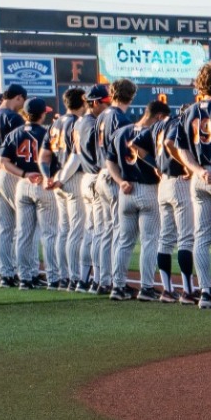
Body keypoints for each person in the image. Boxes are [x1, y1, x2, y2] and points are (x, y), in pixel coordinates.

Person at [172, 63, 211, 308]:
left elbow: (180, 147)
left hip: (198, 176)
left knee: (202, 237)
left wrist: (195, 169)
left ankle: (205, 292)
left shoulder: (189, 112)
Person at [109, 98, 167, 301]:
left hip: (125, 190)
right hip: (149, 190)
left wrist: (119, 181)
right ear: (159, 116)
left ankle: (117, 287)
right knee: (150, 241)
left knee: (124, 241)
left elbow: (109, 161)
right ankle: (147, 288)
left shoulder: (120, 132)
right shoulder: (153, 133)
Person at [0, 97, 55, 288]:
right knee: (48, 233)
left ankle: (25, 278)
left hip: (23, 183)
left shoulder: (14, 134)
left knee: (23, 234)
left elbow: (3, 162)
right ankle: (53, 277)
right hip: (42, 183)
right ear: (42, 113)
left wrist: (23, 173)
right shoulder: (48, 133)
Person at [0, 85, 29, 288]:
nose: (22, 106)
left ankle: (5, 274)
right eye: (22, 101)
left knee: (3, 227)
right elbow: (19, 149)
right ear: (18, 98)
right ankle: (26, 273)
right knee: (25, 225)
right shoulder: (12, 117)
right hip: (8, 172)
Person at [94, 79, 137, 291]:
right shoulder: (120, 118)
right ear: (132, 96)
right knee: (118, 231)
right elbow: (120, 152)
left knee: (105, 231)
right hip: (113, 176)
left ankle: (103, 281)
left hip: (101, 174)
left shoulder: (101, 115)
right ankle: (115, 282)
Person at [150, 97, 194, 302]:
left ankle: (167, 290)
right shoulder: (179, 122)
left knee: (165, 239)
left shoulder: (160, 124)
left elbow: (136, 146)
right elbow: (169, 142)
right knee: (185, 238)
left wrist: (156, 165)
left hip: (163, 184)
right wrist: (186, 165)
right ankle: (188, 291)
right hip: (179, 183)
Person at [72, 84, 112, 292]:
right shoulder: (91, 123)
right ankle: (99, 280)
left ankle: (84, 279)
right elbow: (98, 154)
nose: (108, 106)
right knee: (101, 232)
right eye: (105, 103)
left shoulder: (79, 122)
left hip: (85, 177)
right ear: (95, 102)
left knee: (92, 231)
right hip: (95, 176)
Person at [45, 88, 86, 290]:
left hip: (57, 178)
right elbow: (76, 155)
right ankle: (75, 277)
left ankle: (63, 276)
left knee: (64, 230)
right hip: (71, 178)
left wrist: (49, 177)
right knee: (76, 231)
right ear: (83, 102)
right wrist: (61, 178)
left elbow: (44, 154)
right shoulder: (76, 123)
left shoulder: (55, 123)